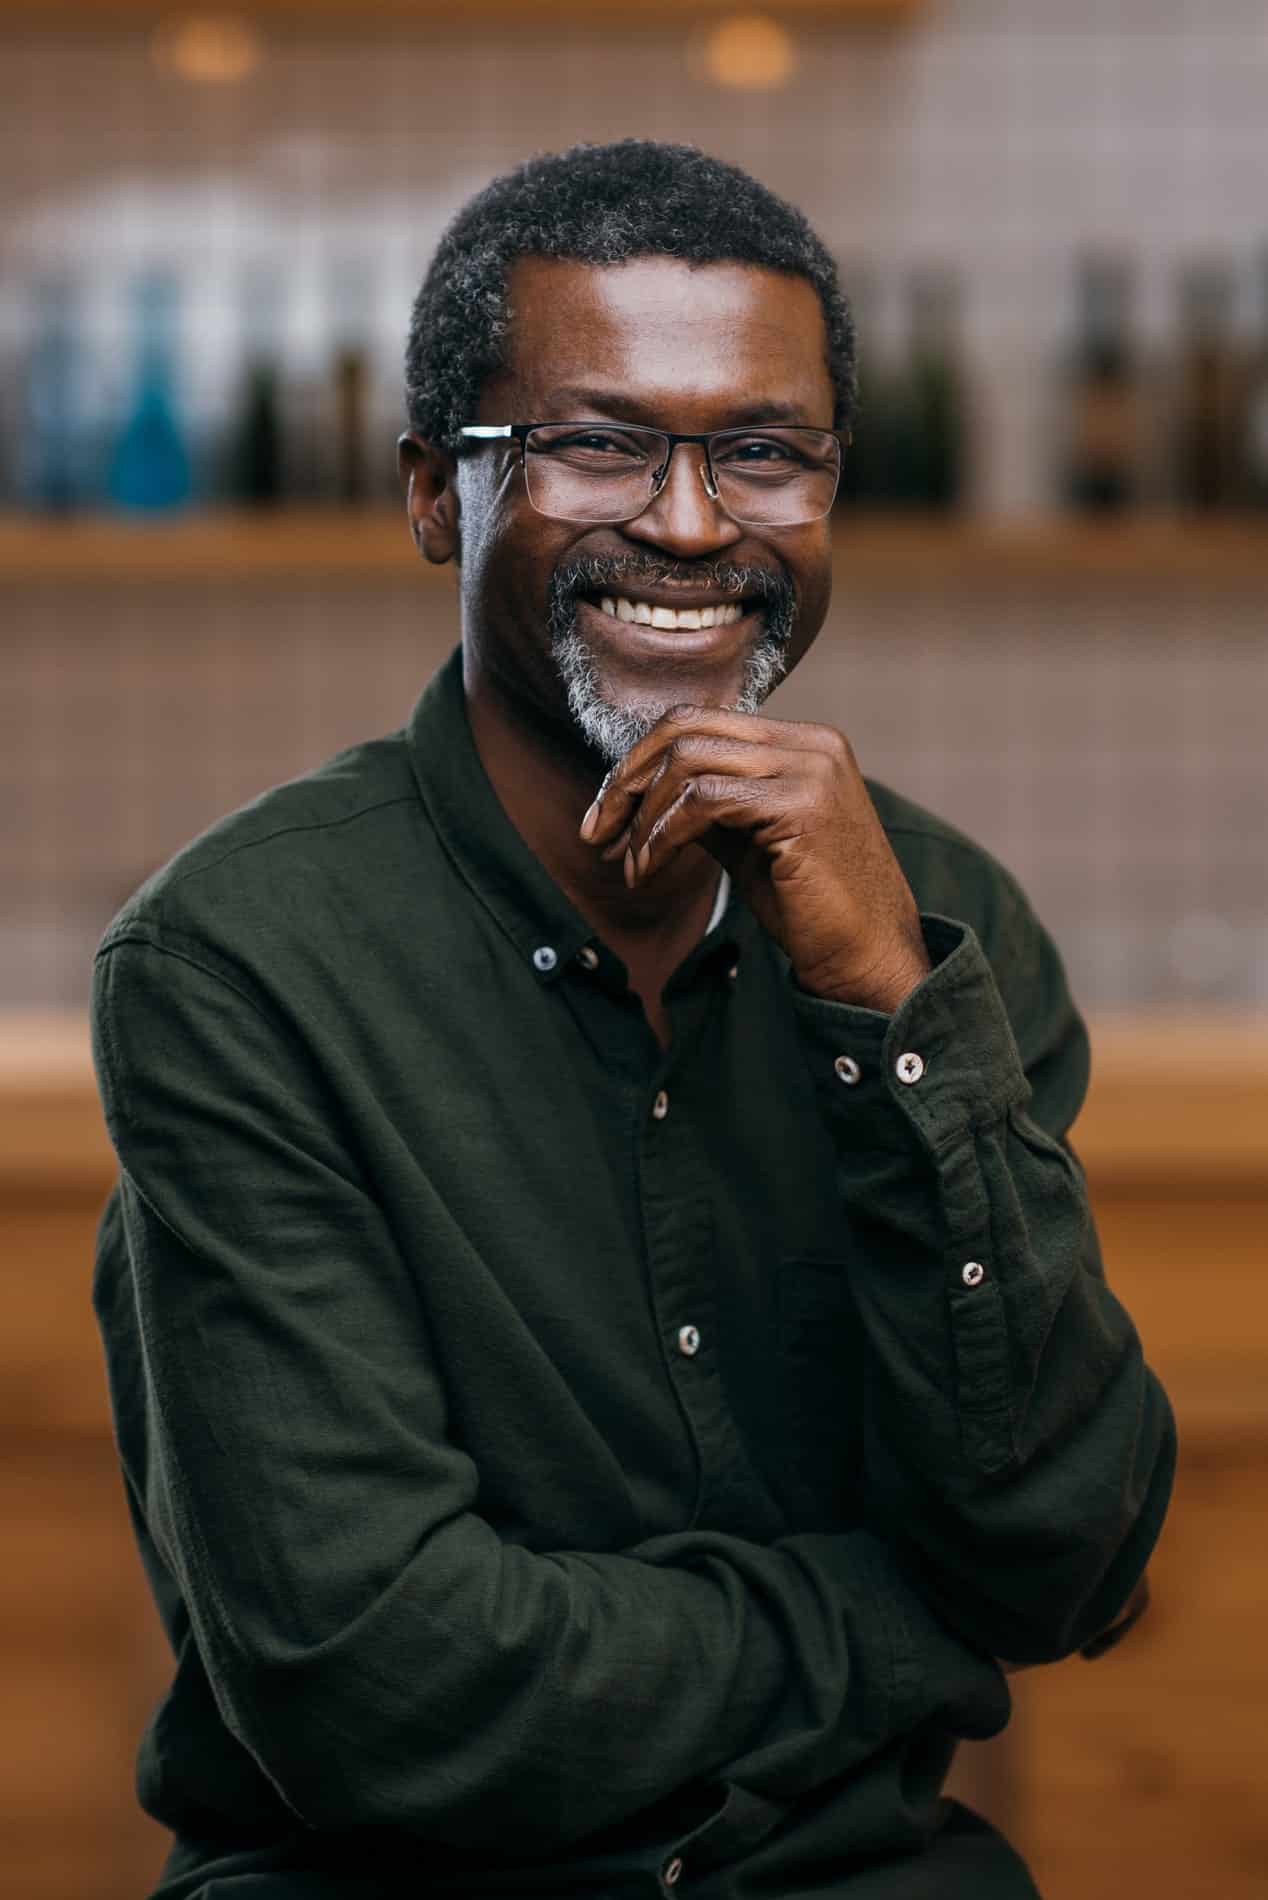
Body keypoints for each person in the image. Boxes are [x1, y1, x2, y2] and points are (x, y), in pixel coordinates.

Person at [90, 140, 1174, 1900]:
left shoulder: (939, 928)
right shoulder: (241, 962)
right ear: (436, 495)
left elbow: (1066, 1559)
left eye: (765, 453)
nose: (688, 524)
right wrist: (897, 1637)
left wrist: (887, 1011)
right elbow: (375, 1690)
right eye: (596, 446)